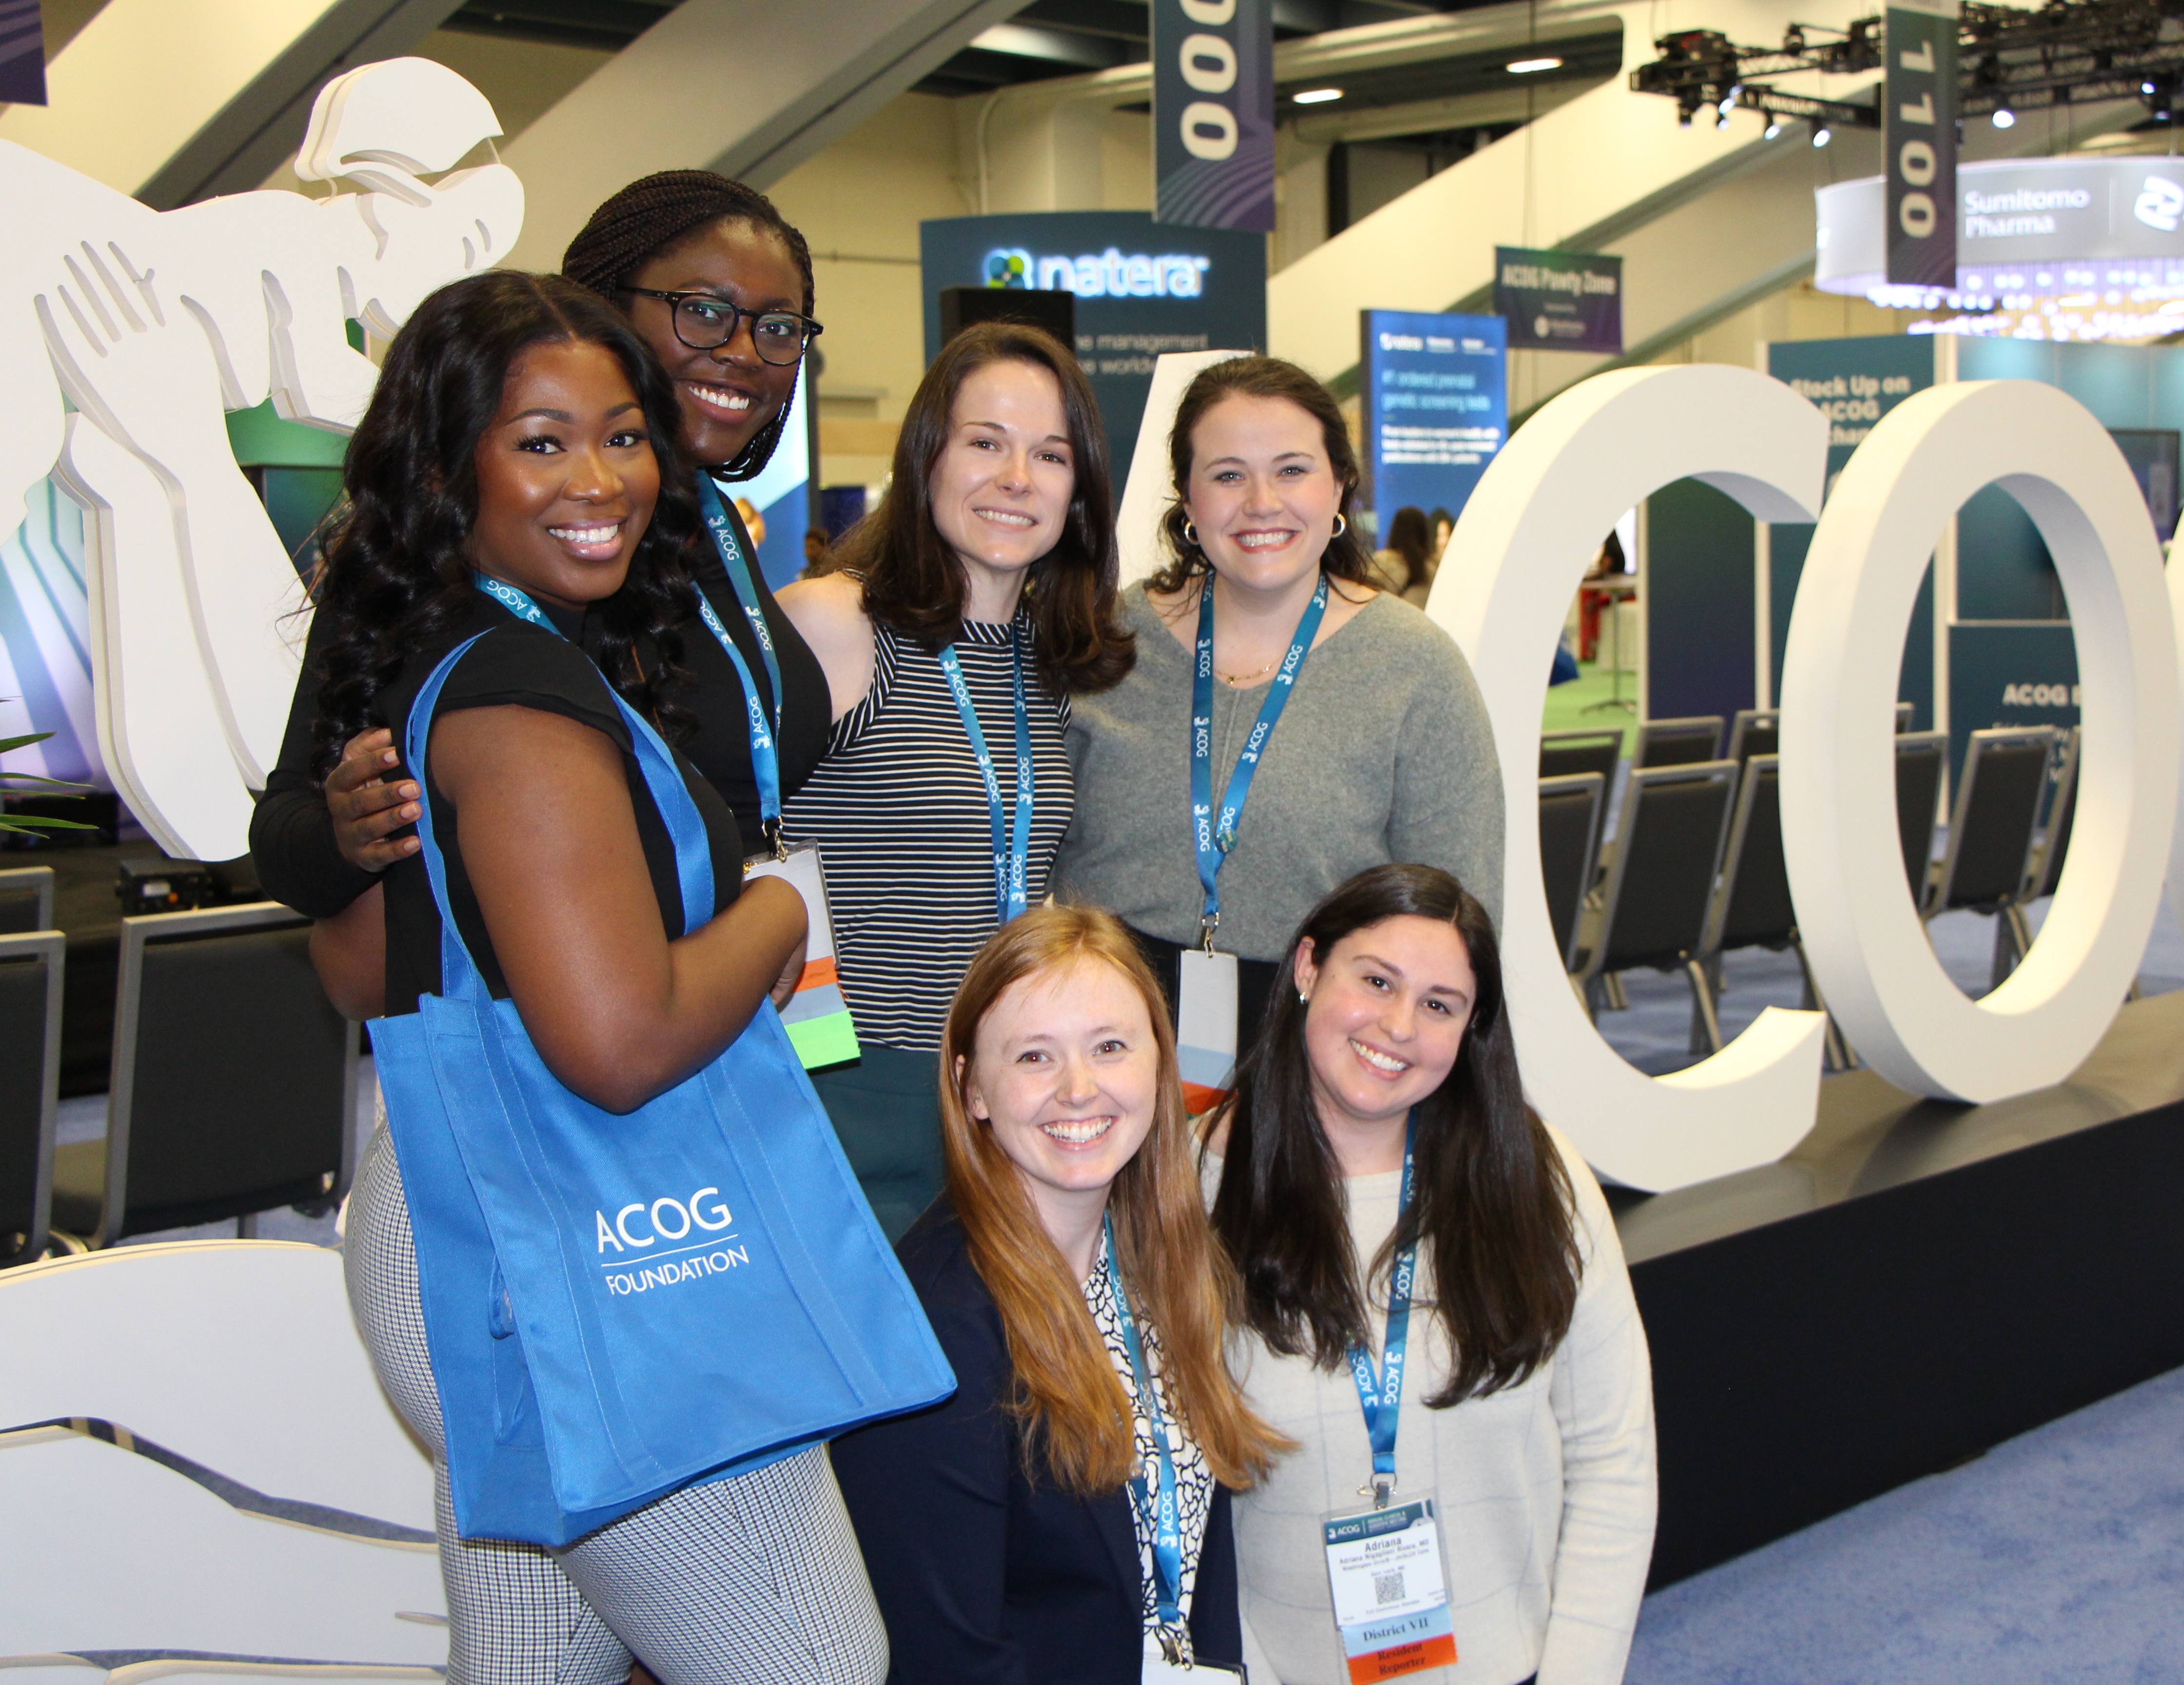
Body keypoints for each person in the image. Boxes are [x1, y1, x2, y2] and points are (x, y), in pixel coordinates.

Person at [318, 270, 888, 1682]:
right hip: (582, 1262)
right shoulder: (523, 702)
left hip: (473, 1229)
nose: (600, 479)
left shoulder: (457, 661)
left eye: (624, 436)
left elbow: (359, 967)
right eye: (543, 440)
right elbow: (620, 1043)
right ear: (446, 468)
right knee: (817, 1664)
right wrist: (776, 912)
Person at [253, 172, 832, 981]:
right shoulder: (497, 556)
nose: (742, 353)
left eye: (777, 327)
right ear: (604, 309)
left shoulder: (715, 529)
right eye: (702, 311)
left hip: (744, 981)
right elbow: (300, 846)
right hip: (599, 1006)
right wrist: (347, 838)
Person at [1205, 864, 1655, 1685]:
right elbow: (1167, 1491)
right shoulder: (1196, 1184)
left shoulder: (1535, 1178)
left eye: (1440, 1005)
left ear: (1470, 1028)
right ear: (1307, 967)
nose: (1398, 1026)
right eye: (1375, 981)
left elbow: (1612, 1456)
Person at [829, 904, 1287, 1682]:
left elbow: (1202, 1555)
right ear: (973, 1088)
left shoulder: (1158, 1262)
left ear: (1159, 1065)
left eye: (1110, 1047)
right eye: (1035, 1056)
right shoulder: (935, 1328)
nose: (1079, 1089)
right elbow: (948, 1659)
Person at [776, 321, 1134, 1239]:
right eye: (985, 442)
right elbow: (691, 825)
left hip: (999, 1095)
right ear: (927, 455)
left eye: (1049, 455)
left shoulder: (1048, 662)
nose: (1017, 478)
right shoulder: (836, 625)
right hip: (843, 1085)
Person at [1053, 355, 1502, 1066]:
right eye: (1228, 475)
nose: (1262, 502)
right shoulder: (1102, 642)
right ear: (1188, 498)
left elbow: (1460, 925)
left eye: (1292, 470)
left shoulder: (1416, 667)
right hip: (1103, 1044)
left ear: (1339, 486)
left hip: (1326, 1053)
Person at [1369, 505, 1436, 608]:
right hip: (1421, 618)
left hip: (1391, 617)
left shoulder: (1383, 562)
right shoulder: (1433, 568)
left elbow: (1369, 597)